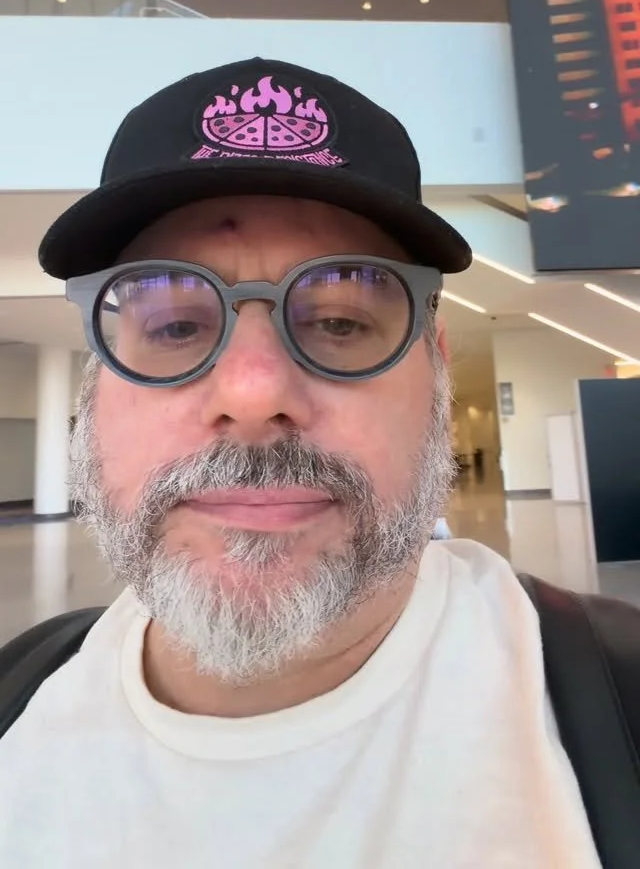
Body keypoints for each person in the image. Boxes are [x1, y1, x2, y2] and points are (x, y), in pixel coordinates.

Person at [0, 58, 601, 868]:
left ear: (436, 364)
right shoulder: (18, 705)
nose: (253, 393)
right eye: (175, 325)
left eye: (341, 322)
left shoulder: (614, 705)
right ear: (95, 381)